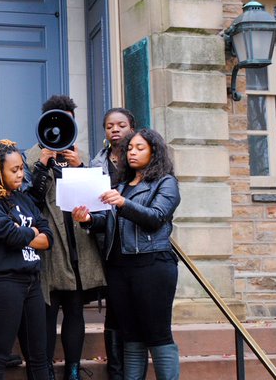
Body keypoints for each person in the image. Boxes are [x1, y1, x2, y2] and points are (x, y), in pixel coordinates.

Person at [72, 128, 181, 380]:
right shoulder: (121, 185)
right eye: (130, 148)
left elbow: (155, 218)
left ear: (154, 152)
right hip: (120, 269)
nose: (132, 152)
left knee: (157, 334)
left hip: (153, 265)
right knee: (130, 336)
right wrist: (88, 220)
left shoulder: (166, 183)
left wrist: (122, 203)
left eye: (140, 148)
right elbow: (107, 222)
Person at [25, 95, 106, 380]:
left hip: (77, 245)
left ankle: (73, 368)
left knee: (74, 309)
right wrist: (42, 165)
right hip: (49, 245)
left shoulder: (78, 154)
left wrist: (81, 167)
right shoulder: (31, 156)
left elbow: (95, 199)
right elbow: (28, 200)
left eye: (70, 120)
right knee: (47, 310)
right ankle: (44, 368)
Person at [0, 140, 53, 380]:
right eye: (14, 170)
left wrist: (24, 233)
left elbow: (48, 237)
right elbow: (9, 234)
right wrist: (31, 234)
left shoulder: (24, 199)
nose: (21, 174)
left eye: (21, 168)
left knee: (39, 357)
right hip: (3, 283)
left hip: (31, 282)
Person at [89, 107, 136, 379]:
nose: (114, 130)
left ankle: (131, 366)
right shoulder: (97, 163)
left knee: (131, 307)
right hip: (106, 242)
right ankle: (116, 370)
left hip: (136, 242)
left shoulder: (142, 160)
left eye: (120, 124)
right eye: (109, 126)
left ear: (131, 127)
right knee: (115, 307)